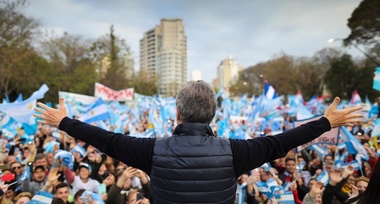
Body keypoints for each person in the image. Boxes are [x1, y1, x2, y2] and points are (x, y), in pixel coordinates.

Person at [34, 80, 363, 203]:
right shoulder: (236, 152)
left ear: (177, 113)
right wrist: (326, 121)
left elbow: (105, 139)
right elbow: (281, 142)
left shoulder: (152, 150)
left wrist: (64, 121)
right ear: (214, 115)